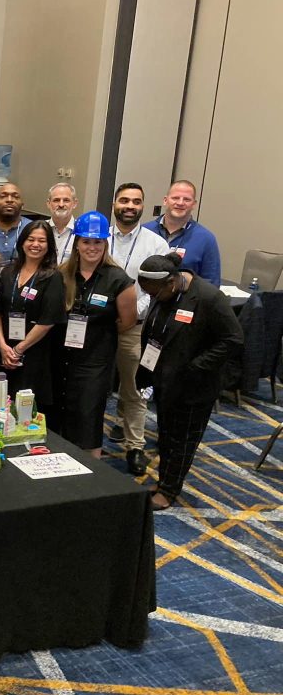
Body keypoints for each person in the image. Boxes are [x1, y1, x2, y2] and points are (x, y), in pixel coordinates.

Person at [135, 252, 243, 509]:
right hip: (165, 380)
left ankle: (169, 491)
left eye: (154, 294)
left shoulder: (208, 298)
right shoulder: (162, 292)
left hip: (194, 386)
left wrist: (197, 366)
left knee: (183, 441)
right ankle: (164, 482)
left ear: (171, 283)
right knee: (166, 436)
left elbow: (233, 339)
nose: (152, 298)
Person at [51, 212, 136, 458]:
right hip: (61, 357)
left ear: (105, 244)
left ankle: (91, 472)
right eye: (86, 241)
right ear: (77, 242)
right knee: (59, 412)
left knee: (88, 415)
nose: (91, 247)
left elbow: (127, 321)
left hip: (95, 361)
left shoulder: (118, 279)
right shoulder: (62, 274)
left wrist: (97, 335)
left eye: (97, 242)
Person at [106, 183, 171, 473]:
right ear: (114, 204)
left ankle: (135, 447)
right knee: (91, 383)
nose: (129, 206)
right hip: (95, 325)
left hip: (135, 328)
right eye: (124, 200)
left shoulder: (155, 244)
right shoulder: (98, 237)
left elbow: (158, 290)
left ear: (143, 206)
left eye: (136, 201)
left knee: (135, 387)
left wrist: (130, 316)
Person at [0, 221, 66, 413]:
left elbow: (47, 321)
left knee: (25, 410)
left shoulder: (52, 277)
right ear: (22, 242)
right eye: (31, 239)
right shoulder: (8, 272)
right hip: (3, 349)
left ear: (49, 246)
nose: (35, 244)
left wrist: (18, 350)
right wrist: (2, 346)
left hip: (34, 353)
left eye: (42, 240)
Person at [143, 180, 221, 285]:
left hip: (183, 300)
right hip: (143, 298)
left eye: (187, 199)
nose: (180, 203)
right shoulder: (144, 231)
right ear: (165, 200)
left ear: (194, 204)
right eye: (175, 198)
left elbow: (211, 284)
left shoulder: (206, 239)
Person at [0, 183, 30, 267]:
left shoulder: (32, 228)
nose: (9, 200)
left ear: (22, 205)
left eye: (15, 197)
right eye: (3, 196)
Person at [46, 183, 78, 265]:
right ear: (48, 203)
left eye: (66, 200)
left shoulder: (82, 231)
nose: (61, 204)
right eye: (56, 200)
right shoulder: (39, 229)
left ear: (75, 203)